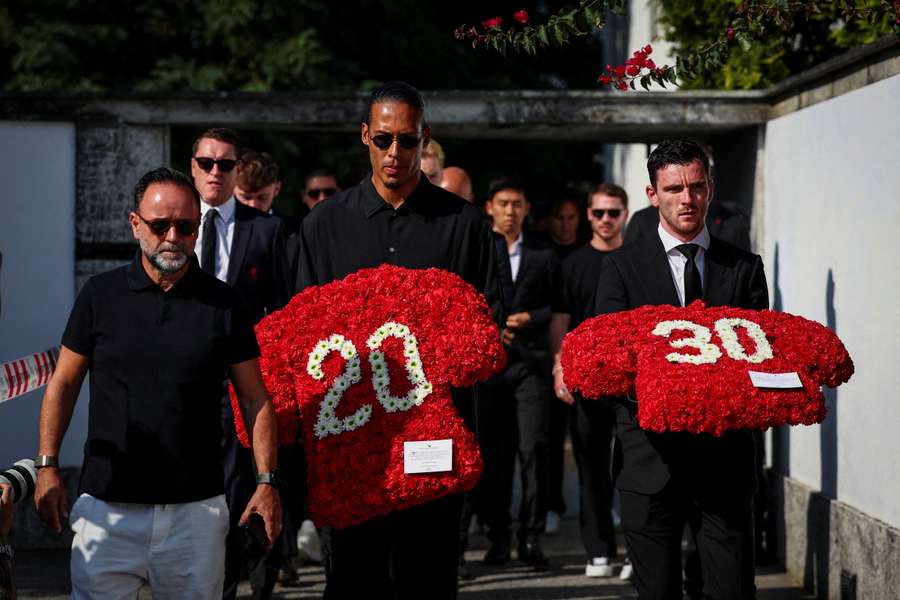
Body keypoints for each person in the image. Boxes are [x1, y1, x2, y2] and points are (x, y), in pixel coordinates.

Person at [33, 168, 282, 600]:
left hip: (196, 514)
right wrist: (46, 466)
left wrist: (266, 482)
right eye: (159, 224)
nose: (172, 236)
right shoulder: (99, 295)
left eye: (184, 226)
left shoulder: (225, 304)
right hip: (107, 509)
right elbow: (64, 383)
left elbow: (255, 397)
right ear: (135, 224)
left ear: (197, 228)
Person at [295, 81, 496, 600]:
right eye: (383, 139)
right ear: (365, 136)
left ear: (425, 140)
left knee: (427, 578)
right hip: (351, 441)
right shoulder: (323, 225)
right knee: (353, 580)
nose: (394, 153)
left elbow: (485, 334)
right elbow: (304, 338)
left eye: (407, 141)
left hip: (434, 438)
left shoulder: (466, 226)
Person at [592, 140, 767, 599]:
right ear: (652, 194)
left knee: (731, 590)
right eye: (673, 189)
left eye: (695, 187)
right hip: (649, 461)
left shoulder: (745, 269)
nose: (686, 199)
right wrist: (662, 400)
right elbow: (604, 367)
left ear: (710, 189)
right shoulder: (620, 269)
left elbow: (759, 360)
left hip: (724, 463)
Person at [190, 128, 291, 600]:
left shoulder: (267, 230)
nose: (215, 172)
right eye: (206, 163)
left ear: (236, 170)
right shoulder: (170, 222)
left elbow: (283, 309)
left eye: (225, 164)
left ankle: (234, 580)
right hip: (180, 381)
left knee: (234, 493)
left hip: (242, 386)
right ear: (192, 166)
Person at [476, 178, 560, 570]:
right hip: (491, 366)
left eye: (518, 204)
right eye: (504, 204)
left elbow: (559, 305)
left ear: (527, 208)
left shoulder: (544, 252)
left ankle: (531, 537)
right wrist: (495, 327)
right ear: (490, 206)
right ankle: (497, 537)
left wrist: (532, 318)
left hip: (531, 365)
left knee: (534, 450)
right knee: (494, 456)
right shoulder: (478, 248)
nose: (511, 211)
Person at [550, 183, 629, 578]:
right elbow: (561, 320)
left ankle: (636, 551)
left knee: (634, 467)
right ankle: (598, 550)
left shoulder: (639, 261)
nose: (605, 220)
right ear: (589, 215)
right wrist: (559, 365)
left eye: (613, 212)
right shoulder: (573, 264)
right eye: (599, 213)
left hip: (631, 382)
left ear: (625, 215)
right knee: (591, 466)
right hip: (585, 378)